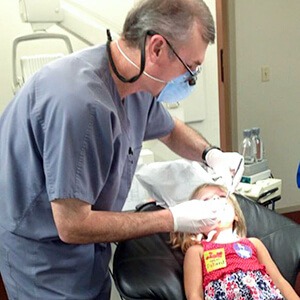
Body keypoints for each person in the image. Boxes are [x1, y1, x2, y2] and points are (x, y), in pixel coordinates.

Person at [0, 0, 244, 299]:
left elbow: (170, 130)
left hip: (87, 255)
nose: (188, 80)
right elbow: (72, 225)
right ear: (156, 48)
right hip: (43, 259)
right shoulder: (79, 104)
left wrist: (211, 154)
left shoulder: (137, 84)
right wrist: (172, 218)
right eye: (189, 69)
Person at [171, 183, 299, 300]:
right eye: (206, 200)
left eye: (222, 196)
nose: (216, 200)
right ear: (195, 220)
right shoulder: (198, 251)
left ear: (236, 215)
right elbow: (194, 295)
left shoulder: (253, 244)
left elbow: (279, 281)